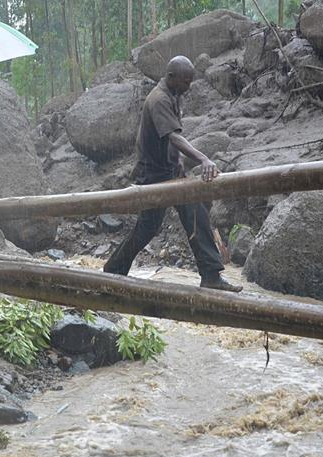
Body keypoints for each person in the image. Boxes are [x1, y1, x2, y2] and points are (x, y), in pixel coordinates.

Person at [103, 55, 242, 292]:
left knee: (193, 211)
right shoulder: (158, 100)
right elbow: (173, 137)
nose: (189, 86)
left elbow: (170, 140)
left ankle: (210, 274)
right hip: (154, 175)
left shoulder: (172, 95)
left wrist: (180, 165)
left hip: (169, 172)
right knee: (149, 226)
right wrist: (204, 159)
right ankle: (114, 270)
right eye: (186, 81)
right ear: (171, 77)